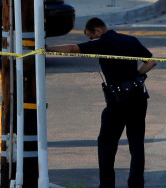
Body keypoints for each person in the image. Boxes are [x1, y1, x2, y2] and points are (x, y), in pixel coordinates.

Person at [46, 18, 157, 188]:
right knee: (136, 144)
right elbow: (151, 62)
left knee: (107, 144)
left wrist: (45, 48)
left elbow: (72, 49)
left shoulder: (103, 42)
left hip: (118, 102)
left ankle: (107, 185)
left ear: (97, 31)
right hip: (138, 99)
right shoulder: (131, 40)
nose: (92, 41)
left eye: (91, 37)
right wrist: (136, 76)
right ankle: (136, 184)